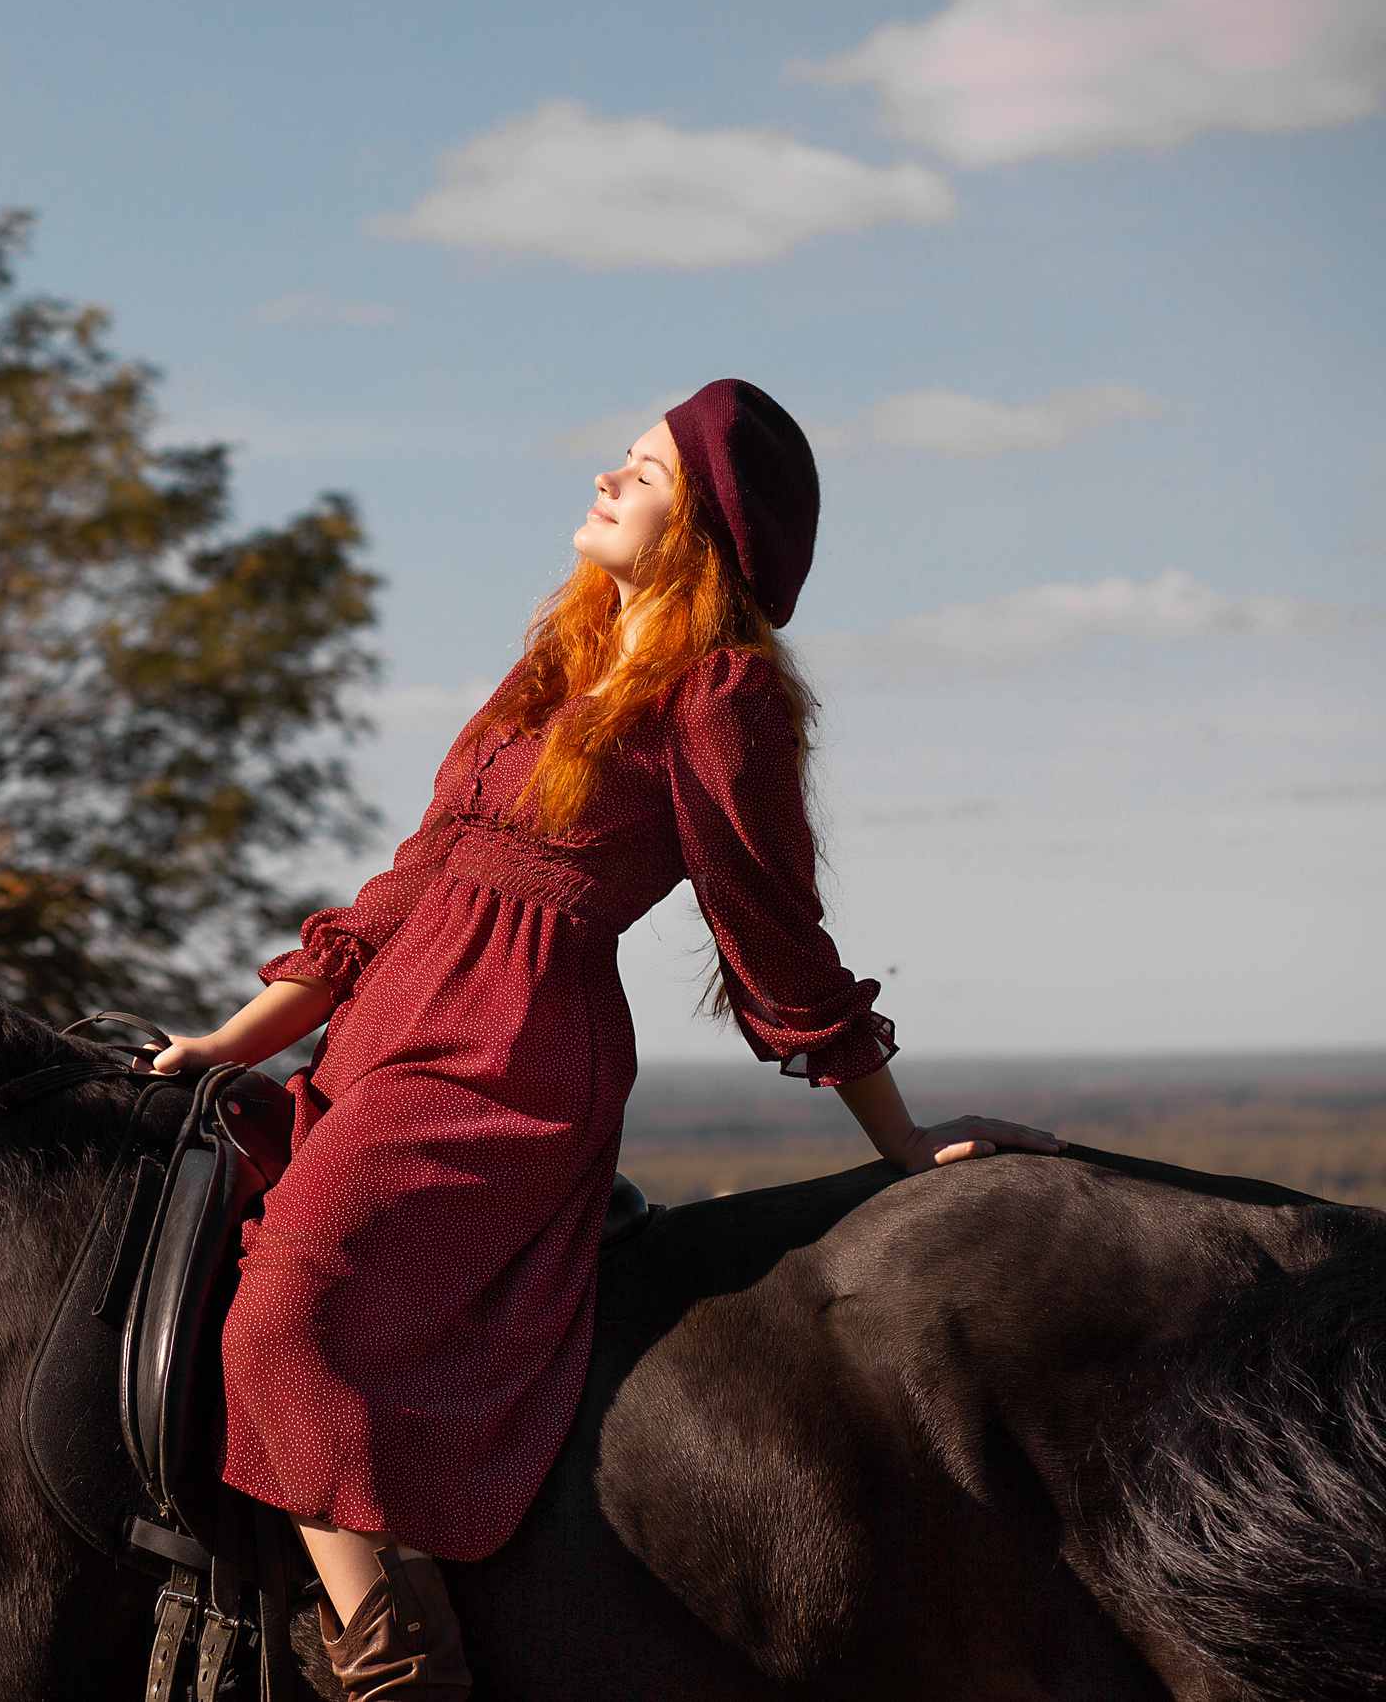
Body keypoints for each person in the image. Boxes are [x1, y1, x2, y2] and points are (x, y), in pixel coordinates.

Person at [150, 380, 1065, 1699]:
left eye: (642, 473)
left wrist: (904, 1146)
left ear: (701, 526)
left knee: (290, 1313)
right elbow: (400, 896)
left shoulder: (721, 692)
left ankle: (399, 1665)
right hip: (384, 1034)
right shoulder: (550, 665)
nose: (603, 481)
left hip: (511, 1062)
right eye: (616, 461)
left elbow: (777, 937)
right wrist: (235, 1042)